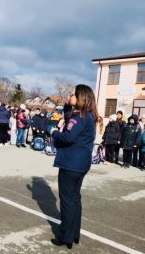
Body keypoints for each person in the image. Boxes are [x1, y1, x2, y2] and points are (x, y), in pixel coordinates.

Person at [50, 84, 99, 249]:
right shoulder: (88, 115)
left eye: (73, 94)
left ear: (80, 98)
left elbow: (69, 136)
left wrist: (54, 132)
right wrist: (67, 105)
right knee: (75, 200)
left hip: (71, 164)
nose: (70, 96)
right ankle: (74, 233)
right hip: (80, 164)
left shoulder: (79, 117)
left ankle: (65, 236)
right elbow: (69, 117)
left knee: (67, 202)